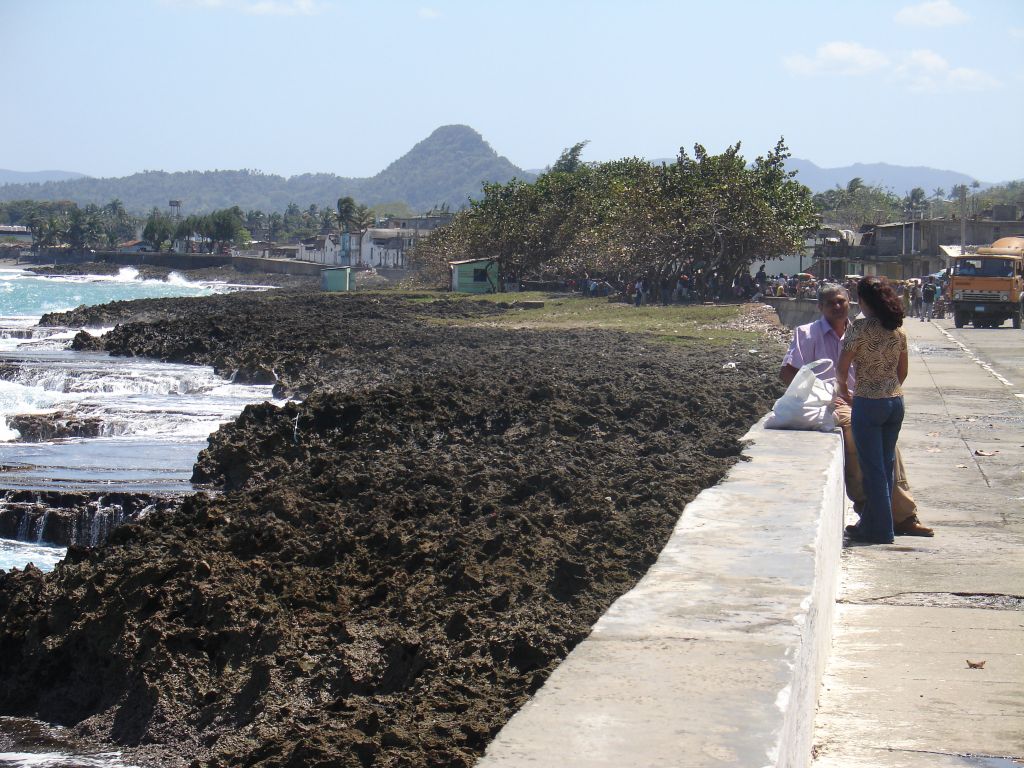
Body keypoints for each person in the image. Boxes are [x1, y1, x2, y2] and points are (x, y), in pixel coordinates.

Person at [780, 284, 933, 538]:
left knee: (890, 452)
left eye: (841, 301)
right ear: (820, 307)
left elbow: (896, 370)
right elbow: (787, 373)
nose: (837, 307)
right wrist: (831, 396)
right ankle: (875, 513)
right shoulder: (807, 334)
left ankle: (901, 515)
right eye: (831, 303)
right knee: (860, 441)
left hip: (866, 402)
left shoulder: (861, 330)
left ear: (852, 302)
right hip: (830, 404)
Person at [837, 276, 908, 544]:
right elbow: (903, 372)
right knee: (886, 466)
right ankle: (872, 522)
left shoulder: (859, 328)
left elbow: (842, 369)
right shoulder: (897, 331)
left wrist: (847, 395)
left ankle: (881, 530)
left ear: (863, 301)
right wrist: (887, 389)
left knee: (872, 470)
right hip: (894, 402)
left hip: (868, 403)